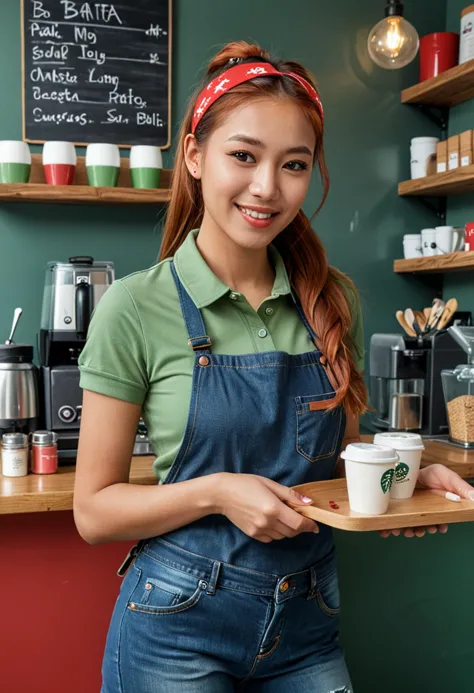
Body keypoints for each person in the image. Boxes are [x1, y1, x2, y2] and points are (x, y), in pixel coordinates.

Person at [74, 41, 474, 693]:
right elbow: (93, 510)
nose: (267, 187)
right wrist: (217, 491)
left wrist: (407, 476)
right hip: (177, 624)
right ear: (196, 156)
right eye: (243, 155)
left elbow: (336, 454)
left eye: (294, 164)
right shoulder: (135, 306)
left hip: (308, 623)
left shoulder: (329, 296)